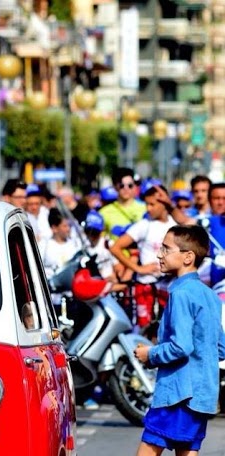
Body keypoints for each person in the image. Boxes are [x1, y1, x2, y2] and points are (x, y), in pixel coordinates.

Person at [134, 224, 225, 456]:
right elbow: (221, 348)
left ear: (188, 257)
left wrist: (150, 354)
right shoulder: (209, 295)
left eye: (166, 249)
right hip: (202, 393)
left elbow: (181, 346)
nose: (159, 254)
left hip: (178, 393)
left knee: (149, 446)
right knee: (187, 449)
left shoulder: (181, 293)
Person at [110, 185, 176, 330]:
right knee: (143, 328)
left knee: (167, 328)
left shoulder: (175, 225)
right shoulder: (144, 225)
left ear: (164, 202)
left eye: (152, 204)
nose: (148, 208)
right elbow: (115, 248)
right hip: (145, 286)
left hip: (169, 285)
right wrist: (138, 268)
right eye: (146, 204)